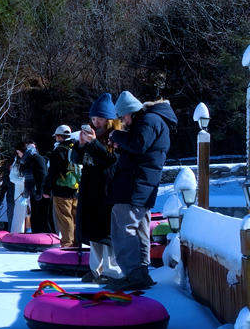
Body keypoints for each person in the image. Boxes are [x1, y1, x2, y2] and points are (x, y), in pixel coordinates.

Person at [106, 91, 178, 290]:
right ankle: (140, 273)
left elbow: (139, 145)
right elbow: (141, 150)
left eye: (123, 117)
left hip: (133, 185)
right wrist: (122, 145)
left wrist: (117, 135)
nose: (123, 121)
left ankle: (133, 274)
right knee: (140, 230)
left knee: (124, 229)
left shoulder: (149, 120)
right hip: (142, 185)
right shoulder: (155, 120)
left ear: (130, 111)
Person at [73, 93, 123, 284]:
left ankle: (111, 271)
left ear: (109, 119)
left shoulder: (116, 137)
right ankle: (95, 269)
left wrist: (93, 143)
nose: (96, 123)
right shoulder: (93, 137)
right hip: (90, 191)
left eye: (99, 119)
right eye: (93, 119)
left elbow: (112, 161)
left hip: (107, 191)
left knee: (106, 233)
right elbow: (76, 160)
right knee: (93, 232)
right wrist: (80, 145)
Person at [45, 125, 80, 247]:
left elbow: (53, 172)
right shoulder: (77, 148)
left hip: (61, 189)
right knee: (75, 217)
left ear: (59, 136)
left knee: (65, 217)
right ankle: (76, 243)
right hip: (76, 188)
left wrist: (46, 189)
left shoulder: (59, 151)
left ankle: (67, 244)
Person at [20, 139, 53, 233]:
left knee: (43, 216)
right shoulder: (27, 161)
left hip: (40, 192)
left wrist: (42, 191)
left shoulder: (38, 158)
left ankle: (47, 235)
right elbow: (26, 177)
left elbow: (43, 175)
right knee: (35, 215)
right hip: (33, 192)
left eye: (31, 147)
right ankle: (36, 234)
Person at [9, 144, 29, 233]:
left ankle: (31, 233)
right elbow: (12, 177)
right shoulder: (16, 162)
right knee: (18, 215)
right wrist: (23, 181)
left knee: (30, 214)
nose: (18, 154)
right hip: (19, 193)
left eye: (19, 152)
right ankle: (16, 234)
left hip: (31, 191)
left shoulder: (32, 160)